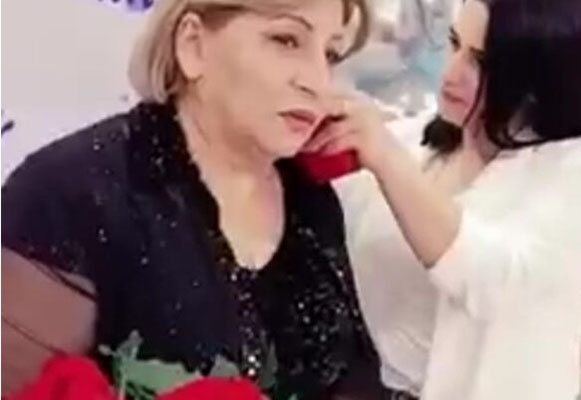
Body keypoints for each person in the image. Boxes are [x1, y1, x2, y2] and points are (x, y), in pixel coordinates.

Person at [1, 1, 386, 399]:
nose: (319, 83)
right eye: (286, 40)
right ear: (193, 45)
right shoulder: (67, 192)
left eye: (330, 54)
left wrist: (391, 164)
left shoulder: (311, 198)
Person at [305, 0, 581, 398]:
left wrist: (386, 158)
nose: (451, 73)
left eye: (480, 62)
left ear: (538, 75)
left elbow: (496, 281)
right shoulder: (422, 142)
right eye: (453, 43)